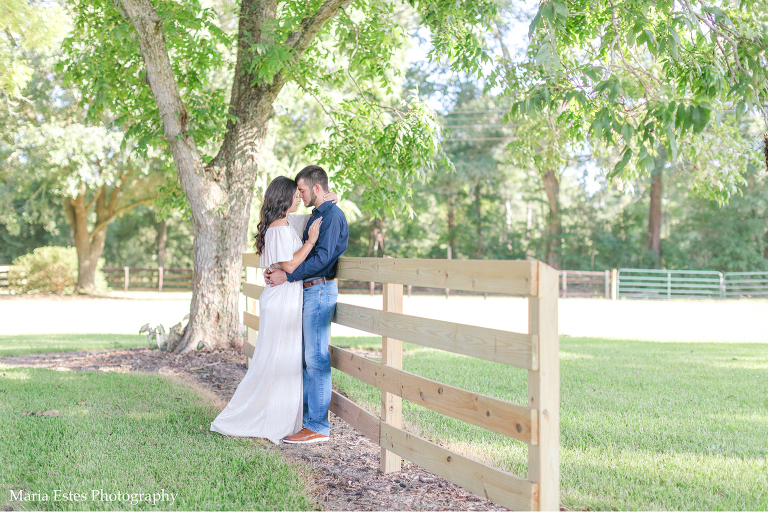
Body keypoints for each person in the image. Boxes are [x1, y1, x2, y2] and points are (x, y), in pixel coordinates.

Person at [209, 176, 326, 444]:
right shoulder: (279, 229)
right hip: (282, 300)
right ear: (284, 197)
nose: (299, 198)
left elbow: (298, 226)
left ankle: (278, 415)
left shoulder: (280, 225)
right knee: (277, 360)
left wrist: (330, 201)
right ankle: (267, 417)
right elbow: (291, 265)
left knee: (280, 358)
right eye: (295, 194)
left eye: (300, 193)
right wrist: (310, 242)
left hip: (281, 297)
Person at [264, 165, 349, 444]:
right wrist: (282, 272)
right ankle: (301, 419)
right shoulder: (317, 215)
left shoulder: (333, 217)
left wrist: (287, 275)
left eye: (301, 190)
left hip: (320, 290)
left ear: (316, 188)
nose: (298, 195)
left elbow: (322, 260)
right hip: (306, 291)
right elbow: (287, 232)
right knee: (303, 357)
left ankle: (317, 426)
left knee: (316, 358)